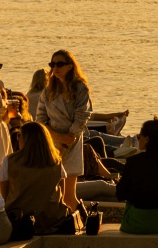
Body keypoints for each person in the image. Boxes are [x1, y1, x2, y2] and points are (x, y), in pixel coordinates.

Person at [37, 50, 92, 208]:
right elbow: (40, 118)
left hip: (72, 140)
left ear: (69, 66)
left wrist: (68, 139)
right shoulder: (48, 91)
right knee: (55, 193)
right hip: (52, 140)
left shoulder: (80, 88)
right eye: (52, 64)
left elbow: (83, 115)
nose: (55, 67)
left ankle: (83, 221)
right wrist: (56, 137)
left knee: (68, 195)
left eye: (59, 64)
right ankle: (61, 223)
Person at [3, 123, 70, 237]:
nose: (17, 138)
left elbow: (4, 196)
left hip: (20, 220)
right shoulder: (56, 161)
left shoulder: (9, 162)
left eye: (19, 135)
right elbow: (62, 194)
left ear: (26, 140)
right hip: (52, 220)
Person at [116, 118, 158, 234]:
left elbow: (120, 194)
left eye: (139, 136)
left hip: (139, 221)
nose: (138, 139)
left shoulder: (133, 162)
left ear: (146, 139)